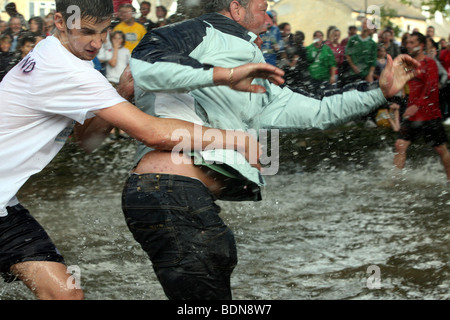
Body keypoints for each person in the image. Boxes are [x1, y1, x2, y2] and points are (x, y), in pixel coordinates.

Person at [122, 0, 419, 300]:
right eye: (263, 9)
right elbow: (147, 64)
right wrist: (226, 73)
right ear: (236, 9)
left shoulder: (256, 75)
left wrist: (379, 93)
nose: (270, 20)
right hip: (170, 192)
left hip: (181, 197)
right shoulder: (201, 30)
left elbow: (319, 111)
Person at [0, 0, 279, 300]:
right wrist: (235, 140)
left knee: (65, 295)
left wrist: (119, 94)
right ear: (59, 20)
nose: (97, 43)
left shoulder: (54, 54)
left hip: (5, 202)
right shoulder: (67, 70)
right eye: (87, 32)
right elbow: (151, 133)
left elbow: (87, 141)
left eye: (105, 31)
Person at [393, 32, 450, 182]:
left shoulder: (429, 63)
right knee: (400, 145)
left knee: (441, 149)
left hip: (430, 113)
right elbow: (403, 87)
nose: (408, 45)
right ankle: (396, 182)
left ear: (421, 45)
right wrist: (396, 102)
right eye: (408, 42)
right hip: (412, 115)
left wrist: (416, 106)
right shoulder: (407, 65)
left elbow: (431, 87)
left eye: (412, 42)